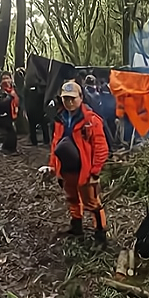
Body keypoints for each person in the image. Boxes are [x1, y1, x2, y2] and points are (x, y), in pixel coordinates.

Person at [47, 80, 109, 245]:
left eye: (72, 98)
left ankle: (100, 233)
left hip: (85, 170)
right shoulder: (60, 119)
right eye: (66, 99)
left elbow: (101, 148)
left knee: (92, 202)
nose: (69, 102)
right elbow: (55, 144)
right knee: (72, 198)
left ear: (81, 98)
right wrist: (53, 166)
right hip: (66, 169)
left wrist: (95, 172)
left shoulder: (91, 120)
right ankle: (77, 226)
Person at [0, 71, 19, 153]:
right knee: (11, 131)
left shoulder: (13, 88)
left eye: (7, 78)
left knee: (12, 131)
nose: (6, 80)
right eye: (4, 78)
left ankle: (10, 148)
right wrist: (8, 97)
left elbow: (17, 98)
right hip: (3, 114)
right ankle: (7, 148)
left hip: (12, 113)